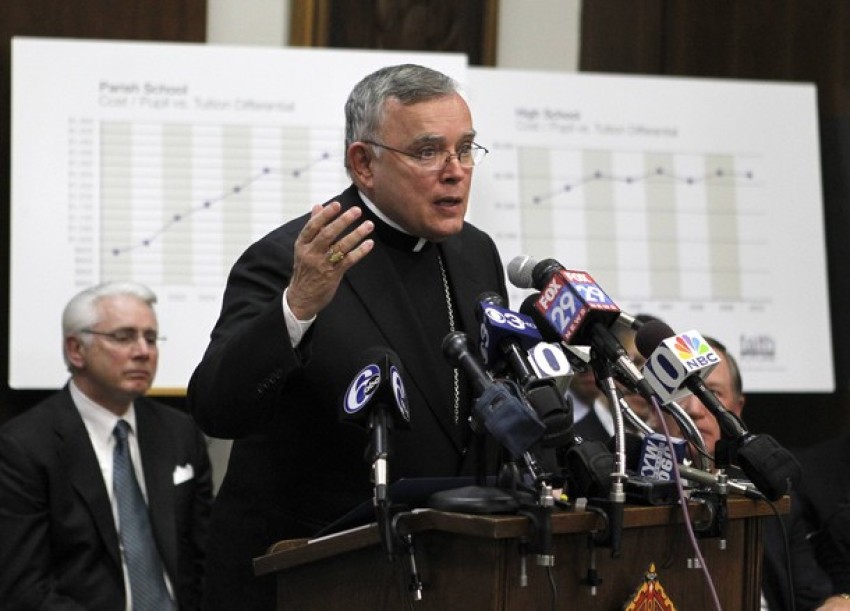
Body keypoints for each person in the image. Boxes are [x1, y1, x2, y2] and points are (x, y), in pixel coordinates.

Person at [188, 64, 508, 610]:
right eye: (429, 151)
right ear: (364, 163)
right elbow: (217, 407)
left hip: (446, 571)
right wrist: (298, 306)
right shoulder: (291, 258)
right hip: (315, 578)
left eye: (465, 149)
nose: (455, 171)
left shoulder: (475, 252)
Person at [0, 281, 213, 610]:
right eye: (123, 337)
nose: (143, 351)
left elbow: (206, 561)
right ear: (76, 350)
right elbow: (23, 590)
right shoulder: (24, 447)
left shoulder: (178, 431)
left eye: (151, 338)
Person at [677, 337, 850, 611]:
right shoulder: (630, 496)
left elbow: (813, 597)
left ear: (736, 409)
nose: (695, 410)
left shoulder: (767, 495)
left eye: (713, 394)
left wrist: (838, 602)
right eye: (681, 392)